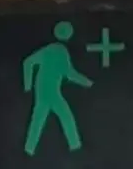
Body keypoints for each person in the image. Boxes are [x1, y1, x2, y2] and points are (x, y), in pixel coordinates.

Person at [22, 22, 94, 156]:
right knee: (65, 116)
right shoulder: (60, 51)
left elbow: (28, 62)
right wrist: (87, 83)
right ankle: (75, 147)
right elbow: (69, 73)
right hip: (50, 91)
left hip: (43, 90)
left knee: (39, 119)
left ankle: (29, 149)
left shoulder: (49, 49)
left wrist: (28, 86)